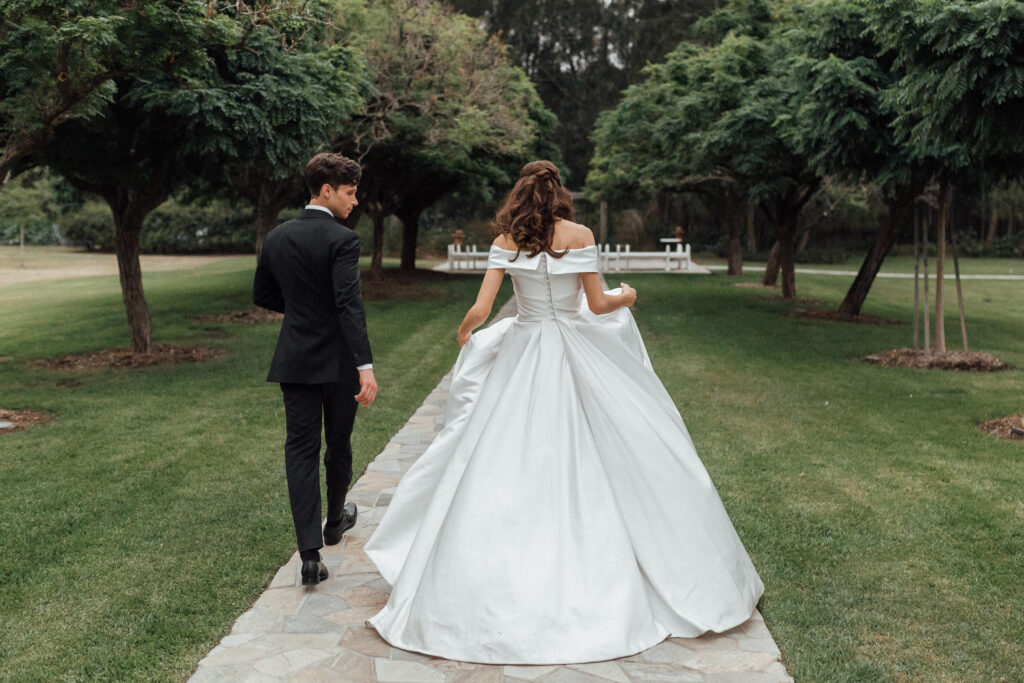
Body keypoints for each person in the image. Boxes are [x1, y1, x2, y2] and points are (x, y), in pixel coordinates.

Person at [363, 160, 764, 664]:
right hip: (573, 350)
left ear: (521, 194)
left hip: (523, 351)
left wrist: (465, 335)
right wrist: (627, 295)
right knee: (606, 447)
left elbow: (483, 309)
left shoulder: (508, 240)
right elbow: (596, 306)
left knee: (496, 454)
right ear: (559, 194)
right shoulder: (580, 234)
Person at [253, 152, 378, 586]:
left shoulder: (277, 237)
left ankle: (310, 555)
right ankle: (334, 519)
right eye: (349, 192)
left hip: (295, 359)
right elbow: (349, 305)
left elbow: (263, 294)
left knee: (300, 452)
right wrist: (365, 366)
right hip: (340, 362)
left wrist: (304, 310)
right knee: (338, 445)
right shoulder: (343, 240)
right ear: (326, 190)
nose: (355, 201)